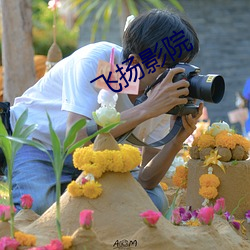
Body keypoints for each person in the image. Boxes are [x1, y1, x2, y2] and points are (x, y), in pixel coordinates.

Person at [6, 9, 202, 215]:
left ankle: (71, 200)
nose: (176, 75)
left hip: (95, 157)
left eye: (182, 65)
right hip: (38, 143)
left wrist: (176, 140)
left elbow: (146, 180)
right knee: (40, 208)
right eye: (168, 67)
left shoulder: (163, 91)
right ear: (135, 62)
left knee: (152, 202)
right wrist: (147, 108)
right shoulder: (99, 63)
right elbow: (76, 140)